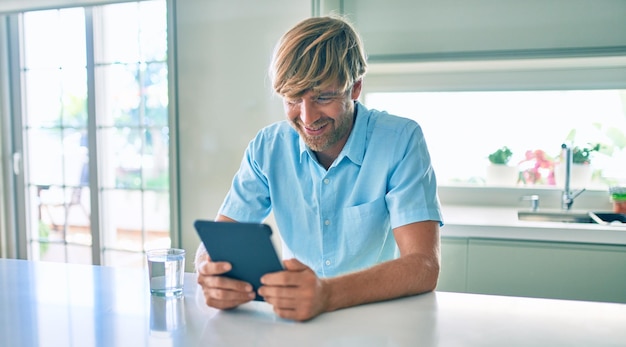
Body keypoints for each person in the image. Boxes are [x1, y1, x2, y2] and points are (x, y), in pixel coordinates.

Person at [195, 14, 443, 322]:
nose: (308, 117)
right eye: (292, 100)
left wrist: (327, 294)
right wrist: (210, 271)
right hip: (295, 323)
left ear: (355, 87)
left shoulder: (400, 140)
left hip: (377, 320)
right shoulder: (267, 147)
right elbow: (217, 241)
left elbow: (423, 265)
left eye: (323, 97)